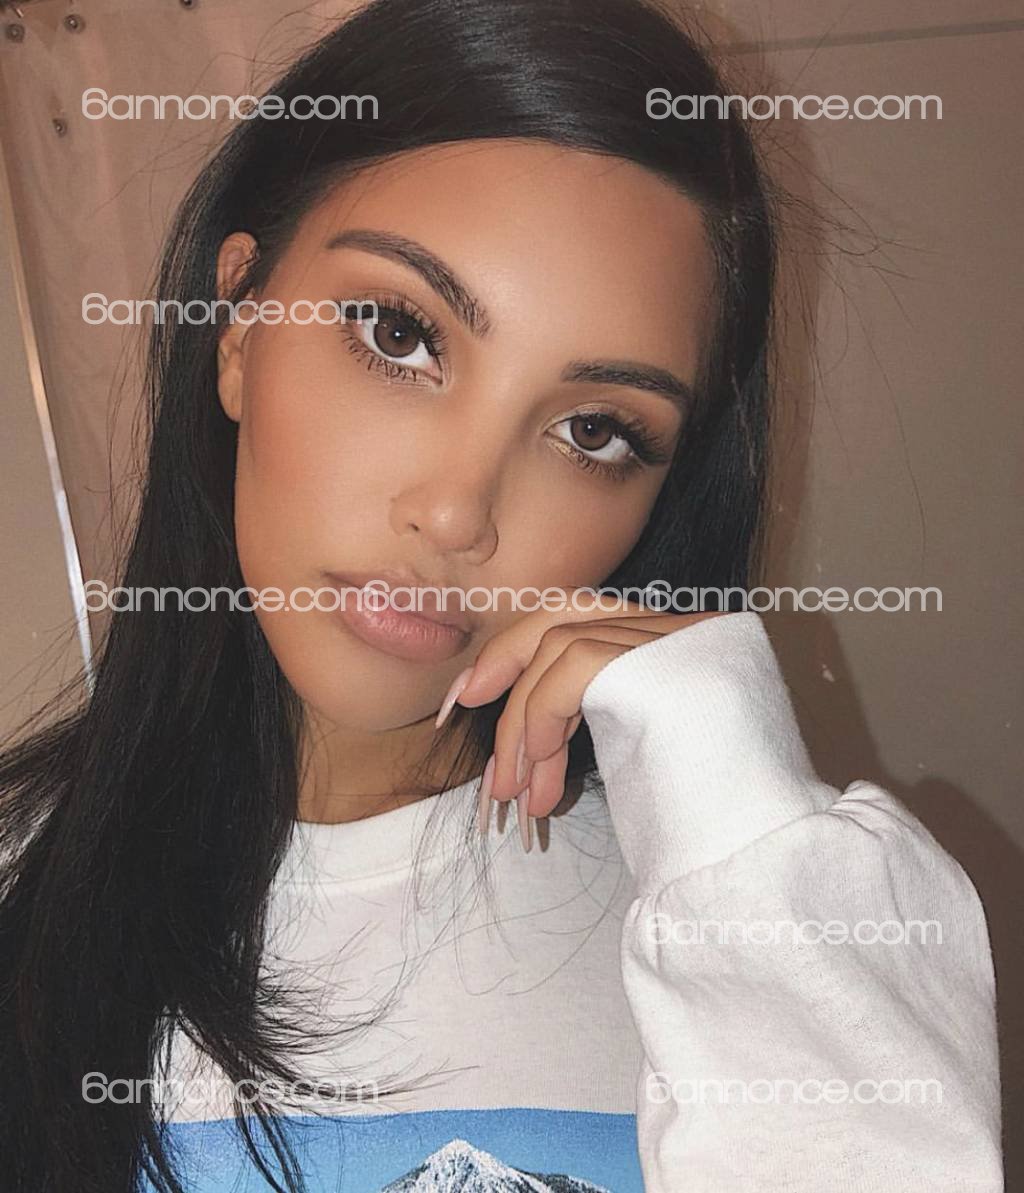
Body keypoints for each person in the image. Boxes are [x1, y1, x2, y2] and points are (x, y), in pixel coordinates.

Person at [0, 0, 1001, 1189]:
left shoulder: (762, 916)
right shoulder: (25, 883)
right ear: (236, 326)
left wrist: (735, 809)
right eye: (397, 333)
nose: (457, 512)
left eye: (594, 429)